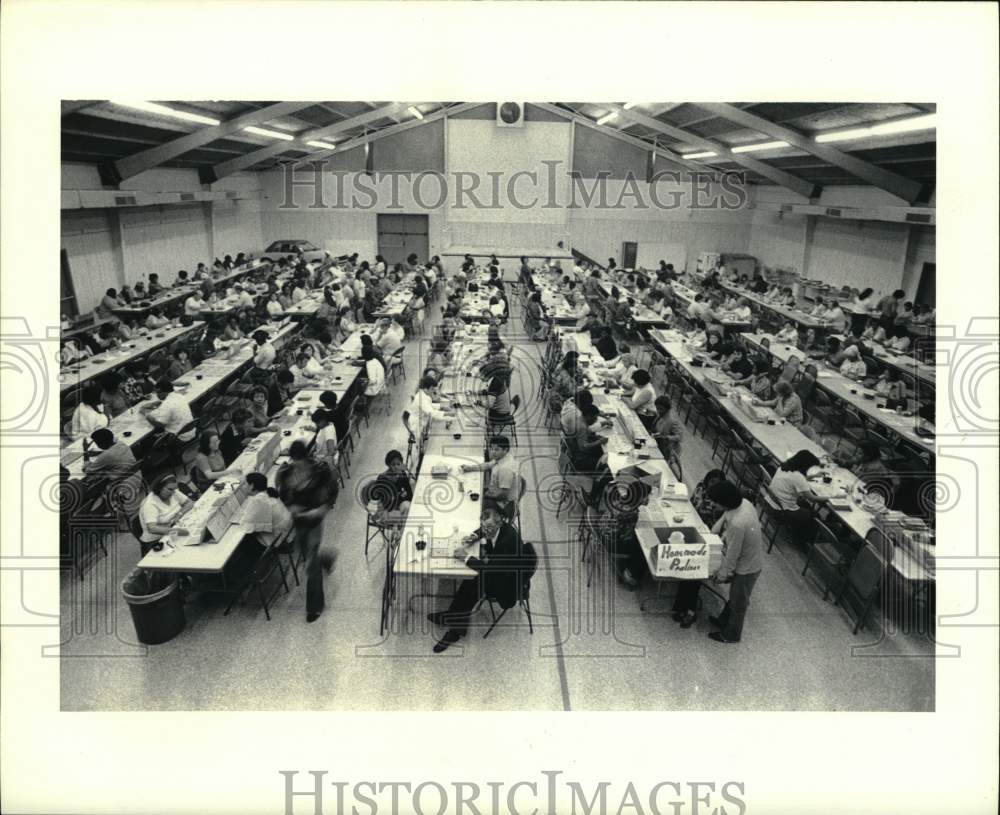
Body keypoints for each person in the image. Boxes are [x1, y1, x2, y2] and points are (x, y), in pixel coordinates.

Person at [428, 505, 532, 653]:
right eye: (483, 526)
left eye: (489, 527)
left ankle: (455, 632)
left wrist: (466, 557)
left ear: (499, 523)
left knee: (472, 586)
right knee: (469, 581)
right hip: (502, 570)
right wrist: (474, 536)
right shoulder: (501, 528)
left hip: (508, 583)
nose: (486, 530)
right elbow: (484, 531)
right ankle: (451, 616)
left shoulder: (506, 542)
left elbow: (490, 570)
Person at [275, 440, 338, 623]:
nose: (298, 467)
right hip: (299, 519)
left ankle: (314, 607)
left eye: (300, 463)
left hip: (315, 520)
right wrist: (290, 506)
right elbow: (281, 490)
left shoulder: (320, 469)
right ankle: (326, 558)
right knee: (306, 556)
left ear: (306, 458)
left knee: (310, 563)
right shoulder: (286, 472)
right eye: (295, 462)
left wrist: (324, 507)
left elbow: (333, 488)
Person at [704, 480, 765, 643]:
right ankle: (724, 621)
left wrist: (722, 574)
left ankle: (731, 635)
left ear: (724, 501)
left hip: (748, 567)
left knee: (739, 602)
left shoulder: (738, 523)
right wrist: (713, 533)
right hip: (748, 559)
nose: (714, 504)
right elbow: (725, 517)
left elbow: (733, 554)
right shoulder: (743, 503)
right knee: (734, 596)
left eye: (716, 501)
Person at [769, 450, 826, 542]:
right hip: (782, 511)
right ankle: (801, 540)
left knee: (805, 505)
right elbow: (811, 497)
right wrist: (831, 498)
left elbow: (795, 479)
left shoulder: (783, 467)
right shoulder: (798, 476)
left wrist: (814, 476)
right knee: (814, 515)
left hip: (772, 502)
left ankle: (797, 530)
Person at [461, 435, 519, 519]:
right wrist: (470, 468)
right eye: (491, 448)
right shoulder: (502, 457)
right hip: (494, 492)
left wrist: (486, 496)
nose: (493, 452)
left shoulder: (505, 469)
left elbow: (504, 494)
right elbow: (488, 465)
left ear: (505, 450)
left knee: (473, 507)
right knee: (473, 492)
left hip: (504, 504)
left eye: (496, 449)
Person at [137, 474, 193, 556]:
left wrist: (178, 514)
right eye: (170, 489)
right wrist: (175, 531)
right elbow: (152, 528)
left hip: (172, 530)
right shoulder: (149, 504)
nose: (173, 492)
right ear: (159, 487)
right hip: (157, 540)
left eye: (174, 489)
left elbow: (189, 503)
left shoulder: (173, 491)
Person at [367, 449, 414, 525]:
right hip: (385, 510)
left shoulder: (402, 474)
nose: (396, 467)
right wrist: (400, 496)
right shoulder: (383, 478)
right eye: (393, 464)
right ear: (388, 465)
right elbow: (384, 501)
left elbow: (409, 494)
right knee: (408, 518)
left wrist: (402, 496)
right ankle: (398, 533)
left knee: (409, 509)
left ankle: (398, 530)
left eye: (398, 464)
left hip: (397, 506)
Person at [141, 378, 196, 442]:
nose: (157, 396)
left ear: (163, 392)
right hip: (191, 431)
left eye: (157, 393)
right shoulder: (180, 396)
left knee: (146, 440)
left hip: (179, 438)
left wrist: (145, 414)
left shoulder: (167, 405)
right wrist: (161, 403)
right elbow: (172, 406)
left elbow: (159, 424)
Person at [402, 375, 454, 441]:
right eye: (432, 390)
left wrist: (442, 406)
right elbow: (432, 413)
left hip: (421, 420)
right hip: (417, 426)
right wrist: (448, 413)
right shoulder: (421, 398)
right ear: (429, 388)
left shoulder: (424, 394)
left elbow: (429, 405)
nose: (433, 392)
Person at [651, 396, 683, 465]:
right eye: (657, 408)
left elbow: (679, 437)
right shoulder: (660, 415)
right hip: (658, 444)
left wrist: (667, 437)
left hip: (666, 450)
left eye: (661, 409)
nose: (658, 411)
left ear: (667, 409)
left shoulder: (672, 420)